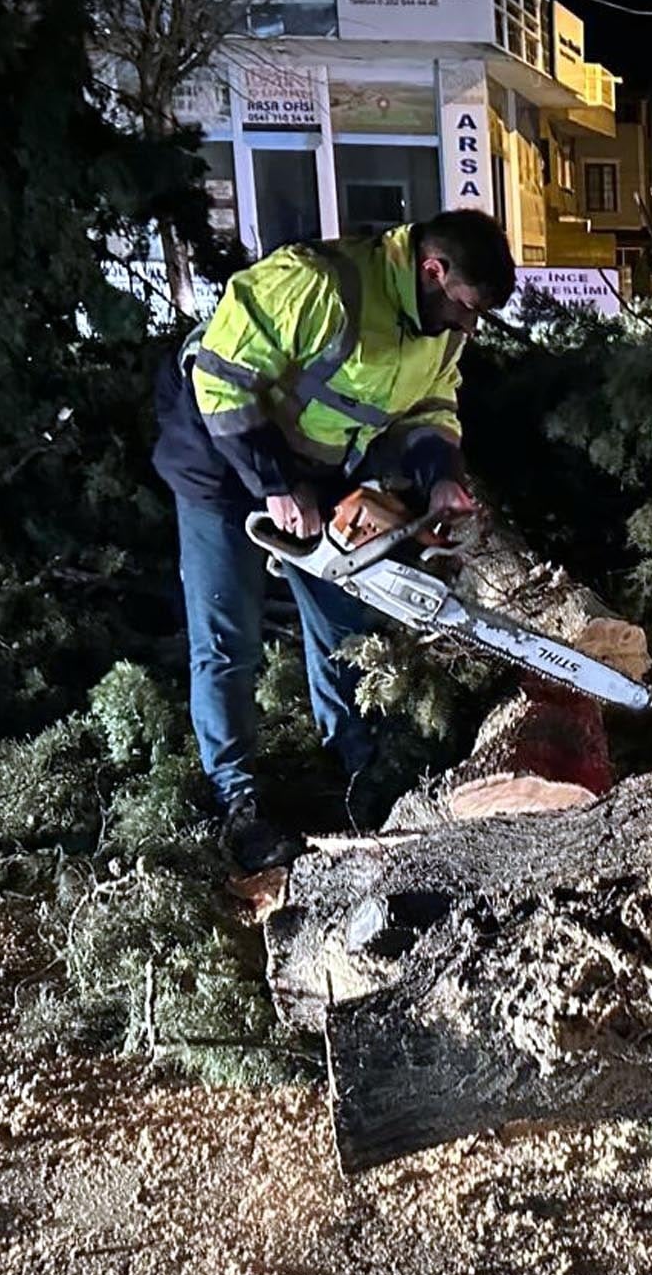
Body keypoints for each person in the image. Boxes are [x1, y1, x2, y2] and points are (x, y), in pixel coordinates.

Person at [151, 210, 516, 871]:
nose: (469, 326)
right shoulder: (320, 284)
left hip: (315, 472)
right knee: (228, 635)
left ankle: (355, 760)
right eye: (464, 308)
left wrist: (441, 480)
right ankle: (237, 803)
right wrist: (273, 483)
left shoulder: (440, 331)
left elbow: (431, 408)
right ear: (433, 270)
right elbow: (221, 379)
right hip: (222, 461)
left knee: (344, 622)